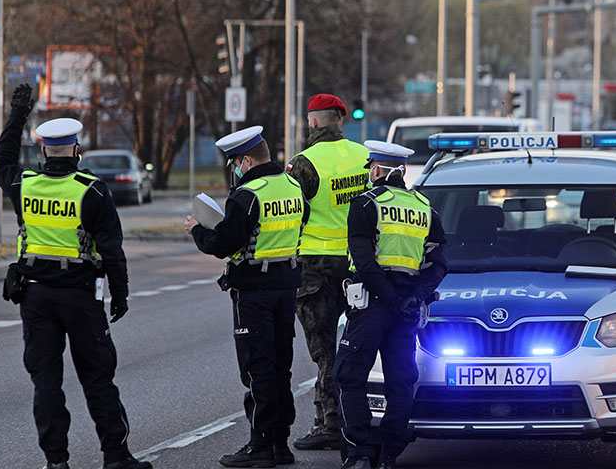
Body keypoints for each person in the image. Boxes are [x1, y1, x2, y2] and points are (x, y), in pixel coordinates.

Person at [0, 84, 151, 469]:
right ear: (76, 150)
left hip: (36, 298)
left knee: (46, 383)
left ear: (44, 149)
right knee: (97, 379)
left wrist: (18, 115)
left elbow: (0, 160)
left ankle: (56, 462)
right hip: (81, 297)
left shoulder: (24, 184)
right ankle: (115, 456)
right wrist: (121, 295)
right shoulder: (92, 191)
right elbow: (112, 248)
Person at [184, 125, 307, 468]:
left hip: (254, 291)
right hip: (286, 287)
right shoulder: (293, 186)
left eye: (234, 163)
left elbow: (223, 244)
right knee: (281, 367)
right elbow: (301, 221)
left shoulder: (247, 195)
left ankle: (260, 445)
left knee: (258, 368)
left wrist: (197, 230)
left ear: (246, 160)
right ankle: (280, 443)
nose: (234, 171)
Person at [333, 141, 448, 469]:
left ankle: (359, 448)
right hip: (407, 308)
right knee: (400, 379)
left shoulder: (366, 204)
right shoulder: (425, 207)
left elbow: (364, 261)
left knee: (349, 374)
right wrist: (415, 297)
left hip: (373, 304)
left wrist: (391, 298)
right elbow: (439, 263)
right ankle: (389, 452)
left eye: (372, 167)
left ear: (379, 169)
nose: (370, 172)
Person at [286, 94, 369, 451]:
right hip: (357, 265)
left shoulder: (304, 163)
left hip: (315, 267)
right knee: (359, 345)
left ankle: (330, 422)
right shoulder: (365, 156)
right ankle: (358, 417)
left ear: (314, 122)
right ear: (340, 120)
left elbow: (291, 213)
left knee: (324, 351)